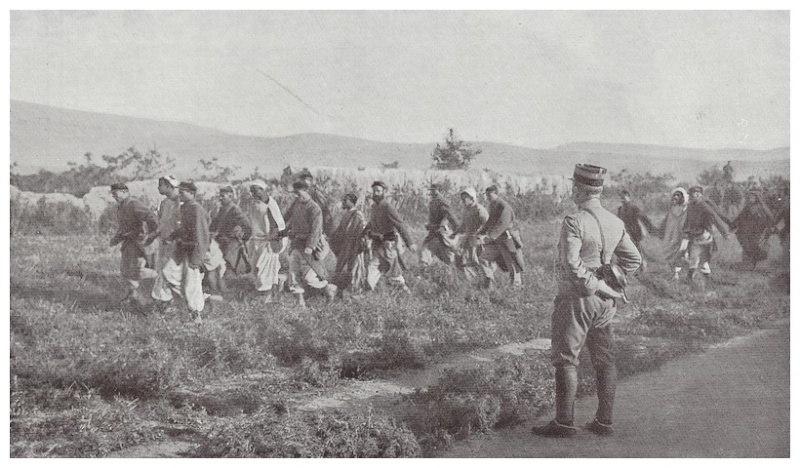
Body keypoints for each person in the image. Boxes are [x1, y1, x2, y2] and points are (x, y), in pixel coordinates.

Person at [532, 164, 641, 438]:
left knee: (566, 359)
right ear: (600, 191)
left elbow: (572, 265)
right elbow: (633, 260)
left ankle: (564, 423)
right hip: (605, 303)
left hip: (577, 300)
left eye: (573, 187)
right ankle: (604, 422)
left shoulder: (574, 220)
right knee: (604, 359)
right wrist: (611, 279)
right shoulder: (615, 222)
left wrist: (595, 283)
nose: (571, 191)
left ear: (579, 190)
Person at [151, 181, 211, 323]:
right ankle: (169, 305)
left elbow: (201, 235)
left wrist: (197, 259)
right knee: (167, 274)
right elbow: (183, 228)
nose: (181, 195)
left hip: (193, 253)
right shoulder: (185, 208)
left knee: (192, 283)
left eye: (183, 192)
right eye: (180, 191)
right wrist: (171, 237)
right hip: (182, 250)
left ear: (191, 193)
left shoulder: (196, 209)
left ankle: (196, 317)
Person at [286, 179, 337, 306]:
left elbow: (316, 229)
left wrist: (310, 246)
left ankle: (328, 289)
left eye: (299, 194)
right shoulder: (296, 204)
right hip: (296, 244)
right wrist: (280, 232)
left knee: (310, 277)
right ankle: (300, 302)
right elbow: (286, 220)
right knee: (294, 273)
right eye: (295, 194)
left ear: (306, 191)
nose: (297, 197)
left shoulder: (314, 208)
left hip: (308, 246)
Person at [109, 182, 159, 304]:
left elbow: (150, 215)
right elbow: (123, 227)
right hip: (129, 243)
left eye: (116, 194)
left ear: (125, 192)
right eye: (113, 195)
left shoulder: (133, 204)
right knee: (126, 270)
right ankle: (133, 296)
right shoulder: (121, 207)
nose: (114, 197)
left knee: (137, 270)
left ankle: (159, 279)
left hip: (139, 243)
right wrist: (116, 238)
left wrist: (152, 233)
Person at [364, 180, 418, 292]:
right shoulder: (374, 207)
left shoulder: (387, 207)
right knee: (373, 267)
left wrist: (410, 242)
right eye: (374, 191)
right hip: (378, 244)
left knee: (393, 270)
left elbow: (400, 224)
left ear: (384, 192)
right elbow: (371, 223)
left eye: (378, 191)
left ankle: (405, 291)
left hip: (388, 244)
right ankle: (367, 291)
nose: (375, 193)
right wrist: (363, 232)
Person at [206, 186, 253, 297]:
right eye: (220, 196)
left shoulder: (235, 210)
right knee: (218, 266)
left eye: (223, 196)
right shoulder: (222, 209)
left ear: (231, 196)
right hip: (221, 242)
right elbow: (214, 225)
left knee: (227, 267)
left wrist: (241, 240)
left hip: (231, 244)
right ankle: (220, 290)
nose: (220, 198)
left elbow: (247, 227)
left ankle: (227, 292)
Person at [246, 180, 288, 303]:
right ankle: (277, 283)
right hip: (257, 240)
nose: (253, 193)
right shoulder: (254, 204)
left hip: (268, 241)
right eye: (252, 191)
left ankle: (266, 295)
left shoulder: (270, 205)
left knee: (264, 268)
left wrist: (274, 241)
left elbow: (278, 226)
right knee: (256, 266)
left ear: (263, 190)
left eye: (256, 190)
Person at [681, 186, 731, 283]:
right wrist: (685, 231)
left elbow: (715, 218)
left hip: (704, 235)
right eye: (690, 194)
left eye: (693, 194)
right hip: (694, 235)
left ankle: (691, 278)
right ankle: (704, 277)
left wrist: (725, 233)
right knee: (698, 257)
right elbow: (688, 220)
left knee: (698, 256)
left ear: (699, 194)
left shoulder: (703, 206)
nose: (691, 196)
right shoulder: (690, 206)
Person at [476, 185, 524, 288]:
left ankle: (516, 289)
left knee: (512, 264)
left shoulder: (503, 206)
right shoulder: (493, 205)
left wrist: (488, 237)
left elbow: (502, 224)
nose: (488, 197)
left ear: (496, 194)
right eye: (487, 195)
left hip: (507, 239)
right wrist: (481, 232)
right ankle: (488, 282)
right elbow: (490, 222)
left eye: (490, 195)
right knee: (483, 258)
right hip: (496, 240)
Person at [150, 176, 183, 303]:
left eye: (161, 185)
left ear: (169, 186)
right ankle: (166, 301)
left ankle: (193, 301)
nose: (158, 188)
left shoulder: (180, 203)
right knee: (163, 271)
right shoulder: (164, 203)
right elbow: (161, 223)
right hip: (164, 245)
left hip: (177, 245)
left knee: (172, 273)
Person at [329, 193, 368, 296]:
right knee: (341, 266)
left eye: (346, 200)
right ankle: (340, 290)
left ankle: (355, 290)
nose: (344, 202)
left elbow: (362, 230)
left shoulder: (358, 214)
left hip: (354, 246)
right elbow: (340, 230)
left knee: (354, 267)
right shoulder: (345, 214)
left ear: (352, 202)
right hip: (345, 245)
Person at [732, 189, 775, 268]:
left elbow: (770, 218)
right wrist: (733, 224)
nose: (750, 198)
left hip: (758, 230)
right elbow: (740, 216)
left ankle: (754, 261)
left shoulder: (762, 207)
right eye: (750, 196)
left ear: (757, 197)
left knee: (754, 245)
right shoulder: (748, 206)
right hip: (747, 230)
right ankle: (749, 262)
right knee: (746, 244)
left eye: (753, 196)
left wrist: (770, 227)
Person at [419, 183, 460, 266]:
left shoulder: (442, 202)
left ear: (440, 191)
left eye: (434, 190)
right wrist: (430, 225)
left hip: (442, 233)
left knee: (449, 257)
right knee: (425, 251)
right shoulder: (432, 203)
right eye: (431, 190)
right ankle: (424, 270)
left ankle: (459, 270)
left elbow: (450, 216)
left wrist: (457, 228)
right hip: (434, 233)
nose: (432, 193)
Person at [285, 170, 334, 237]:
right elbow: (290, 212)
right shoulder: (300, 195)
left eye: (306, 180)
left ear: (311, 181)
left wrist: (327, 233)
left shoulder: (316, 194)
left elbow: (326, 214)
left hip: (316, 231)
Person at [656, 187, 690, 282]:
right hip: (670, 235)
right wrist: (660, 231)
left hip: (681, 236)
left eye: (678, 195)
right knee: (669, 254)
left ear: (682, 197)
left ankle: (681, 274)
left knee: (680, 254)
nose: (676, 197)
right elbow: (665, 221)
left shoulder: (686, 209)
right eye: (674, 195)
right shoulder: (672, 209)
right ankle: (675, 274)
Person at [454, 187, 489, 278]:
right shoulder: (466, 210)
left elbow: (489, 224)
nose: (463, 200)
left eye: (465, 198)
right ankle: (471, 278)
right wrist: (454, 233)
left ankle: (483, 279)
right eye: (462, 198)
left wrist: (482, 235)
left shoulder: (480, 210)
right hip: (467, 238)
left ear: (472, 198)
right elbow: (463, 226)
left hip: (477, 239)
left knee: (475, 260)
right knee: (458, 257)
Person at [617, 190, 655, 272]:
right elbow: (618, 221)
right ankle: (630, 265)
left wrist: (650, 228)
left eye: (624, 197)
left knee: (638, 248)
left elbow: (643, 218)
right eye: (621, 198)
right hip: (625, 232)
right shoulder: (620, 209)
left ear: (629, 197)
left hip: (635, 231)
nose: (622, 199)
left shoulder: (634, 208)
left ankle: (643, 265)